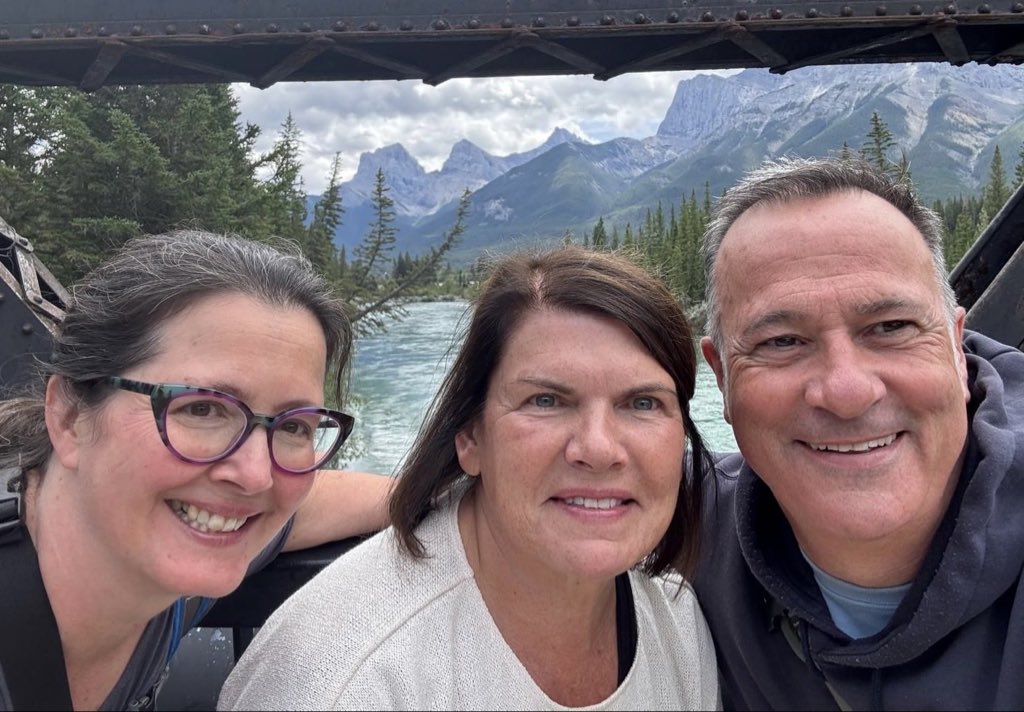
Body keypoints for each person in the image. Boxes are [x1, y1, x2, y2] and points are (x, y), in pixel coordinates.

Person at [218, 246, 721, 710]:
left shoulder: (674, 621)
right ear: (470, 436)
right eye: (545, 401)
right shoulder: (343, 682)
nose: (598, 449)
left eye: (643, 403)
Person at [0, 230, 394, 711]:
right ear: (68, 417)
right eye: (202, 410)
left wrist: (456, 490)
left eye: (295, 427)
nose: (256, 476)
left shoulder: (172, 548)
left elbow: (319, 504)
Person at [695, 156, 1024, 710]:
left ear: (955, 344)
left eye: (891, 327)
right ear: (722, 377)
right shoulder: (674, 529)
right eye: (781, 341)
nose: (847, 392)